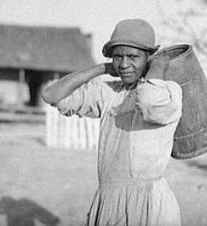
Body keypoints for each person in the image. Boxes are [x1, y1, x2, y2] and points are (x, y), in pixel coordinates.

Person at [42, 19, 183, 226]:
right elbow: (52, 95)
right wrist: (102, 69)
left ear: (150, 57)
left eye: (133, 56)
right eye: (118, 57)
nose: (124, 64)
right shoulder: (110, 92)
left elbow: (148, 101)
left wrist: (158, 66)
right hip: (109, 201)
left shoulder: (168, 91)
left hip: (149, 205)